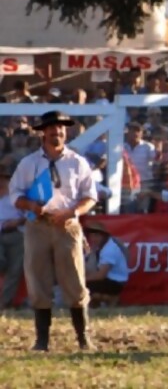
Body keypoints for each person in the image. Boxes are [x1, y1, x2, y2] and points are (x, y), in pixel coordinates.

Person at [11, 111, 98, 351]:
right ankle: (42, 341)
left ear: (65, 132)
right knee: (38, 280)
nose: (56, 132)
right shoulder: (29, 163)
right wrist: (31, 206)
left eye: (60, 128)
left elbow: (90, 197)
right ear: (43, 132)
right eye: (51, 128)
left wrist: (72, 212)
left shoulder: (77, 162)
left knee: (74, 281)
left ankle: (83, 338)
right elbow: (14, 195)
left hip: (67, 226)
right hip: (38, 225)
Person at [82, 221, 130, 307]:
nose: (93, 239)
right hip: (111, 280)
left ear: (103, 236)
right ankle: (96, 306)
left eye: (96, 235)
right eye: (91, 235)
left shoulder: (109, 249)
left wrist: (81, 280)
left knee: (81, 287)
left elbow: (101, 275)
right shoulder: (102, 246)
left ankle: (110, 299)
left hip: (115, 282)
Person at [0, 166, 25, 309]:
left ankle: (4, 304)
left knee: (14, 271)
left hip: (16, 233)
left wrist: (18, 221)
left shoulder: (17, 196)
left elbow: (29, 214)